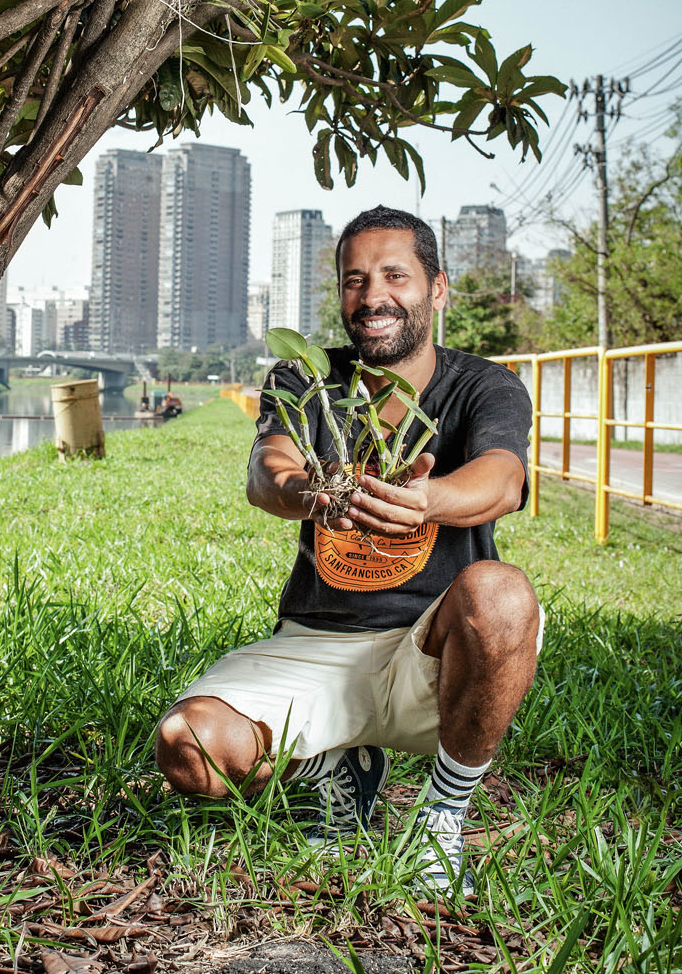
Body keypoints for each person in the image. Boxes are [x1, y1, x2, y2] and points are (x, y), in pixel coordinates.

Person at [156, 205, 542, 898]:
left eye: (395, 276)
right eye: (354, 280)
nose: (373, 297)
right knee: (190, 750)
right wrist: (312, 492)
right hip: (316, 641)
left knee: (503, 594)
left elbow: (502, 480)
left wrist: (426, 500)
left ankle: (440, 816)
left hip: (431, 653)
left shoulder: (484, 384)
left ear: (438, 288)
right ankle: (335, 766)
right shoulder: (304, 377)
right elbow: (265, 471)